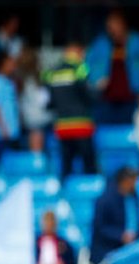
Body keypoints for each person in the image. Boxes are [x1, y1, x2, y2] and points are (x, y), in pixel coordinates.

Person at [86, 9, 139, 125]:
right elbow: (89, 63)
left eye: (114, 26)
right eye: (109, 27)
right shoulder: (101, 43)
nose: (112, 30)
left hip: (131, 96)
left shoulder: (136, 41)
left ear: (122, 24)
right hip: (106, 98)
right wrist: (96, 79)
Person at [43, 41, 97, 178]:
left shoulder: (52, 71)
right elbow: (88, 95)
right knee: (89, 165)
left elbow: (50, 100)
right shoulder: (80, 68)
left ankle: (66, 196)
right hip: (81, 124)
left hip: (62, 126)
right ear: (77, 51)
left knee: (66, 166)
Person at [91, 166, 139, 264]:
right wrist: (120, 235)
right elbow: (99, 228)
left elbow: (138, 221)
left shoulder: (134, 198)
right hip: (106, 259)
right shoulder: (105, 199)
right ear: (124, 181)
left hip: (126, 257)